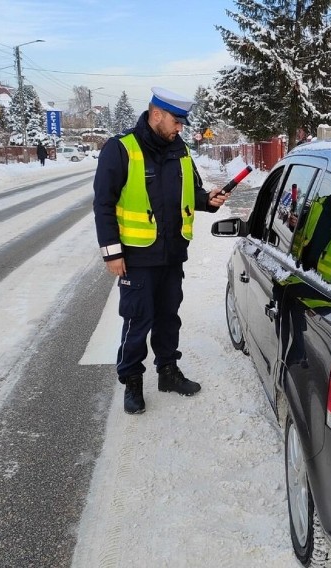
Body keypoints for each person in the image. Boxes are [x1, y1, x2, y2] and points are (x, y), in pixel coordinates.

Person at [92, 87, 229, 415]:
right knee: (138, 320)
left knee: (169, 317)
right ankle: (132, 382)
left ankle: (168, 372)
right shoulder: (121, 149)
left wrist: (206, 200)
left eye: (182, 122)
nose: (180, 127)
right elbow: (104, 204)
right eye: (176, 121)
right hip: (137, 256)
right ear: (156, 115)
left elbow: (190, 193)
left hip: (171, 253)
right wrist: (112, 253)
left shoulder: (180, 151)